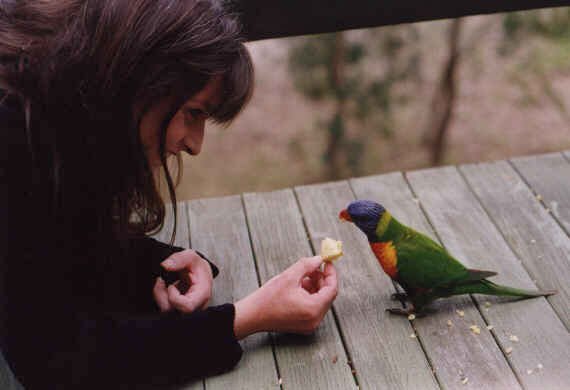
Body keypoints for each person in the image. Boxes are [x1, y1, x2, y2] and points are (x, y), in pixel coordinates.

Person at [0, 1, 338, 388]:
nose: (195, 145)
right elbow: (54, 363)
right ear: (142, 80)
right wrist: (244, 320)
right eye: (192, 113)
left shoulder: (62, 116)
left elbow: (57, 255)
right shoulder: (13, 135)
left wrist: (159, 265)